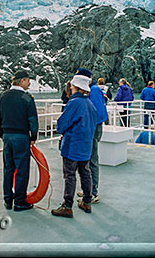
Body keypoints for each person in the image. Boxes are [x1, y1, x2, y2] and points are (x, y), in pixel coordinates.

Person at [51, 74, 97, 218]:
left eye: (72, 86)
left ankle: (67, 206)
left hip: (72, 146)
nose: (70, 88)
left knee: (70, 175)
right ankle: (87, 201)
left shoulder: (75, 103)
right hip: (86, 146)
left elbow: (62, 124)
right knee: (85, 172)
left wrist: (63, 130)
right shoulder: (90, 104)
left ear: (76, 87)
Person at [0, 70, 38, 212]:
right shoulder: (26, 98)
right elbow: (32, 119)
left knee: (8, 169)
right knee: (21, 170)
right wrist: (33, 137)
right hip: (21, 137)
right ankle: (19, 202)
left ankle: (8, 200)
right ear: (22, 81)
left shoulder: (2, 96)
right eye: (28, 80)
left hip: (7, 136)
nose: (29, 83)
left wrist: (3, 134)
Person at [76, 69, 107, 205]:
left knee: (92, 159)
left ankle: (93, 192)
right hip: (93, 127)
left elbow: (96, 112)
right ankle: (88, 189)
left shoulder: (93, 90)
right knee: (87, 160)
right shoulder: (93, 89)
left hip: (93, 128)